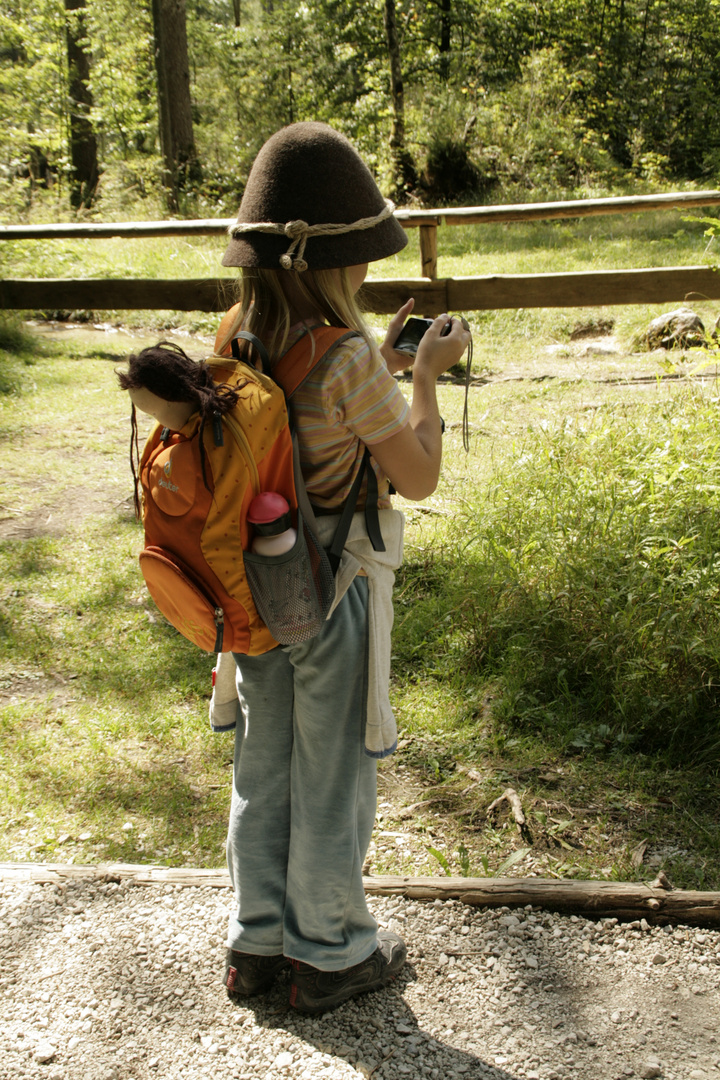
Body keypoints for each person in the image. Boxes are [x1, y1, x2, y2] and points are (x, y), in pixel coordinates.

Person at [218, 121, 471, 1015]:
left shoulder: (236, 338)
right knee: (334, 771)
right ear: (336, 264)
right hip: (335, 582)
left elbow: (297, 423)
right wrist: (428, 377)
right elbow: (419, 477)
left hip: (253, 583)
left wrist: (388, 369)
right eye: (359, 257)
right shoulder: (352, 356)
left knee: (265, 763)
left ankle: (257, 944)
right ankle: (328, 953)